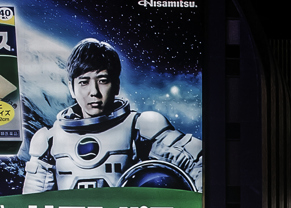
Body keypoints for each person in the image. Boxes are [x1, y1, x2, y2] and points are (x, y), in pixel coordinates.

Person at [24, 38, 201, 194]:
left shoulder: (142, 127)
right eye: (84, 82)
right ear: (71, 88)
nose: (94, 92)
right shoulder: (48, 141)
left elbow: (200, 164)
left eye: (103, 81)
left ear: (116, 85)